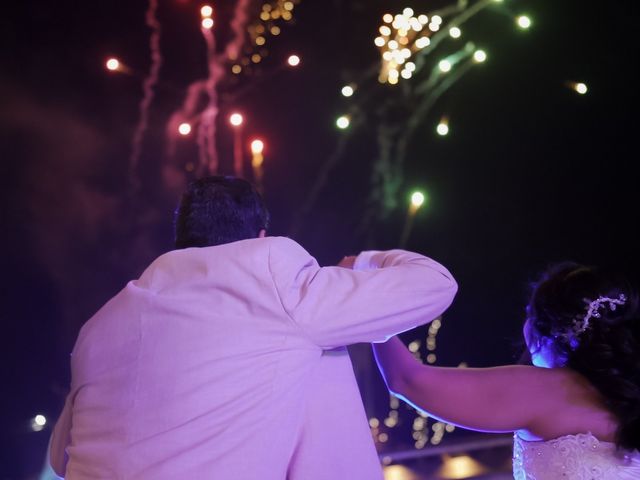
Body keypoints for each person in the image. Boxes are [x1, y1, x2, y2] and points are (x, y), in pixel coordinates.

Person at [49, 175, 458, 479]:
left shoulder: (101, 324)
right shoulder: (272, 274)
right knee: (319, 349)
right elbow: (436, 285)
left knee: (302, 348)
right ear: (260, 237)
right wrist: (363, 264)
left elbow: (61, 458)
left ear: (181, 242)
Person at [373, 261, 640, 479]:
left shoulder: (548, 389)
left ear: (549, 329)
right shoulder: (628, 396)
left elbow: (407, 380)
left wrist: (367, 304)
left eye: (528, 313)